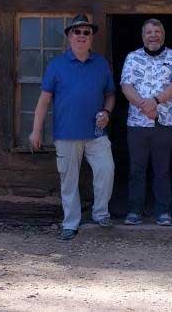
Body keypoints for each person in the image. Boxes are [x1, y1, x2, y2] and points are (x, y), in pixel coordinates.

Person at [29, 14, 116, 241]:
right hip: (66, 133)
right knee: (68, 180)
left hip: (96, 133)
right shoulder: (56, 65)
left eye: (86, 32)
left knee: (106, 169)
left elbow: (110, 95)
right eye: (77, 32)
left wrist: (106, 112)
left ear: (91, 38)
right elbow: (44, 100)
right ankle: (70, 223)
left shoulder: (101, 64)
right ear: (69, 36)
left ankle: (100, 214)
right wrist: (36, 130)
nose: (81, 36)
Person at [120, 18, 172, 226]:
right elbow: (126, 86)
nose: (153, 35)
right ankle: (134, 211)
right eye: (149, 32)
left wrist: (155, 101)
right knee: (137, 168)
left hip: (164, 121)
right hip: (137, 122)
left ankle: (163, 211)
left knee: (162, 168)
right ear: (143, 36)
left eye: (157, 32)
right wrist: (144, 105)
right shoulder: (132, 58)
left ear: (163, 35)